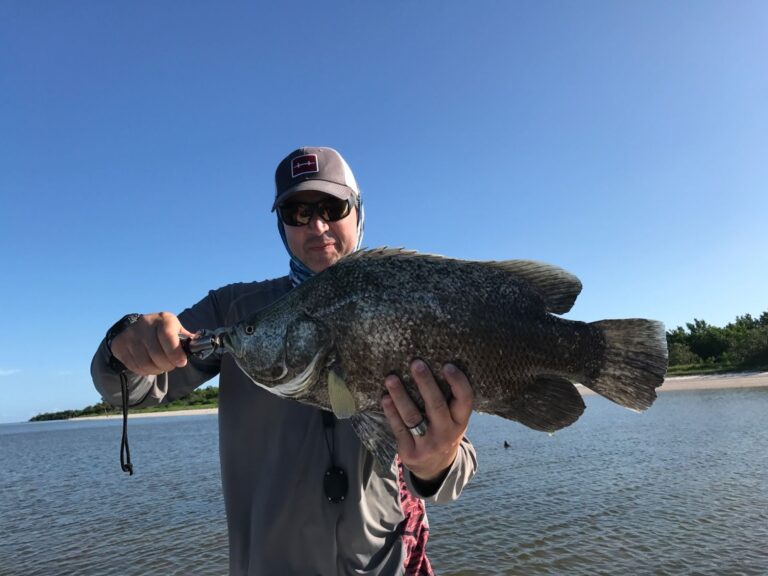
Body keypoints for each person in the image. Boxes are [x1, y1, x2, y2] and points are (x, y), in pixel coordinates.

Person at [91, 146, 477, 576]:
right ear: (281, 225)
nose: (317, 224)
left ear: (358, 211)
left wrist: (436, 463)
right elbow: (135, 390)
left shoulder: (411, 304)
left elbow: (453, 473)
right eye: (297, 211)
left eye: (333, 206)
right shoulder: (233, 311)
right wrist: (123, 346)